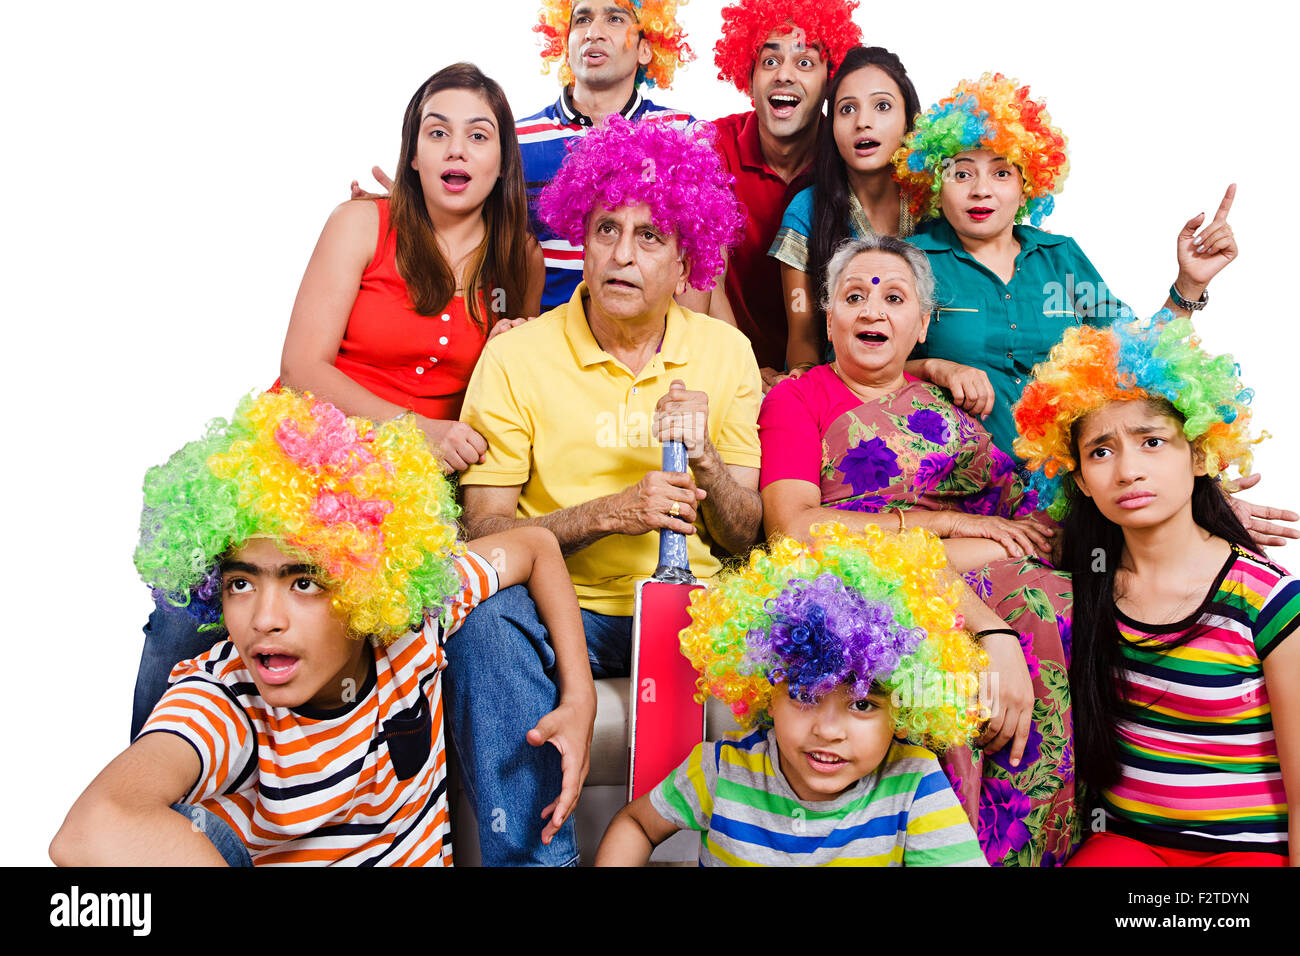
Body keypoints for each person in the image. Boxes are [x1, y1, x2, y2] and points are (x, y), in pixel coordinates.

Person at [129, 63, 544, 741]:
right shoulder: (362, 222)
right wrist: (419, 430)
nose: (457, 150)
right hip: (303, 456)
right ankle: (145, 795)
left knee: (374, 634)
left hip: (404, 497)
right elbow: (300, 365)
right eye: (437, 133)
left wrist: (506, 351)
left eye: (478, 135)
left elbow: (509, 388)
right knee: (192, 607)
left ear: (504, 160)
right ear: (413, 155)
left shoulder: (518, 260)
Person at [50, 390, 594, 866]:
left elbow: (536, 547)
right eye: (241, 583)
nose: (265, 619)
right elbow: (92, 829)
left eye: (304, 583)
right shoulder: (224, 698)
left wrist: (579, 698)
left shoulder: (415, 620)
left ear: (366, 580)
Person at [450, 115, 760, 865]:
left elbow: (748, 533)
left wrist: (710, 463)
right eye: (605, 231)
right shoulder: (517, 358)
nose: (622, 255)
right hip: (570, 613)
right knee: (483, 621)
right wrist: (609, 514)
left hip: (697, 611)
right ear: (579, 243)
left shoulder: (725, 351)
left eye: (650, 237)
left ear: (686, 259)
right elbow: (481, 533)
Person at [759, 234, 1076, 866]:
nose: (873, 311)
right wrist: (948, 530)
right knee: (950, 664)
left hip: (994, 581)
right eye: (855, 296)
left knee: (1062, 596)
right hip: (866, 583)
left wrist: (1197, 501)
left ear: (923, 322)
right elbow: (793, 530)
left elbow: (1024, 514)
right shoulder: (799, 397)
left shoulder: (949, 407)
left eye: (894, 297)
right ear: (830, 317)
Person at [1013, 315, 1299, 867]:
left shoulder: (1269, 600)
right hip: (1127, 845)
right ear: (1077, 479)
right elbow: (942, 560)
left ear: (1199, 455)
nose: (1127, 471)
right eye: (1100, 451)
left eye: (1152, 441)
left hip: (1245, 855)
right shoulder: (1082, 577)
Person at [595, 523, 989, 866]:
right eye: (805, 694)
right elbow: (637, 825)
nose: (829, 730)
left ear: (905, 708)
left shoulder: (913, 783)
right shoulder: (720, 770)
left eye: (863, 703)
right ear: (769, 691)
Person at [709, 0, 863, 382]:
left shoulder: (853, 151)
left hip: (833, 373)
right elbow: (702, 279)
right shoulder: (713, 149)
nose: (785, 76)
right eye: (770, 61)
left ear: (831, 80)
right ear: (748, 78)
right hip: (724, 363)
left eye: (805, 62)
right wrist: (742, 369)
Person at [769, 45, 920, 371]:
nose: (863, 122)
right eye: (847, 109)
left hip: (930, 395)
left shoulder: (935, 204)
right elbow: (804, 339)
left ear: (908, 120)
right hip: (839, 393)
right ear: (832, 125)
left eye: (882, 106)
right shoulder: (806, 212)